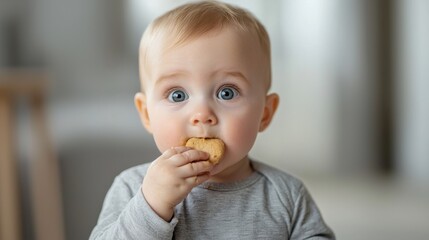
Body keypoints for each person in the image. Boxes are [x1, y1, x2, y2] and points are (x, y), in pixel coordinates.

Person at [90, 1, 335, 239]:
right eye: (178, 95)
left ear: (265, 113)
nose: (202, 114)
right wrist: (152, 206)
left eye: (226, 92)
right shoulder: (134, 188)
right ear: (146, 114)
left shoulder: (287, 195)